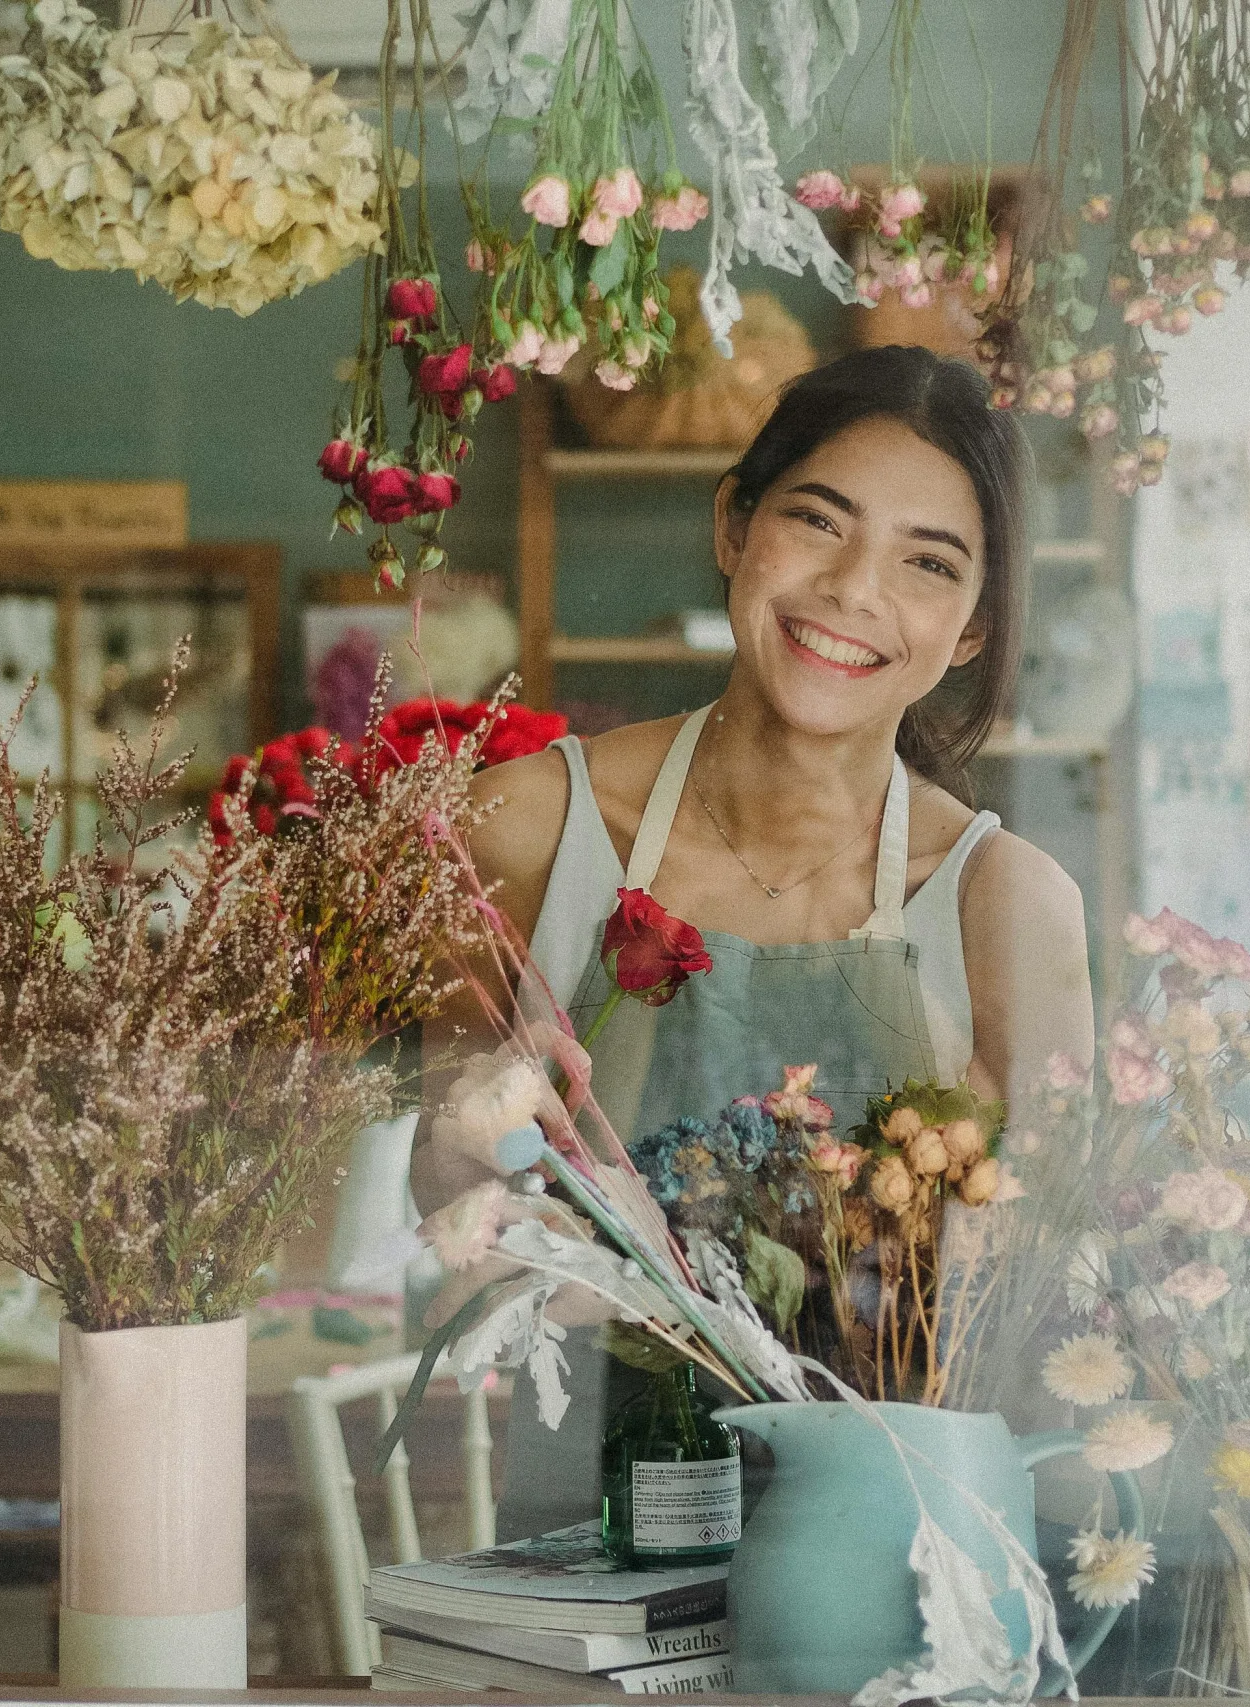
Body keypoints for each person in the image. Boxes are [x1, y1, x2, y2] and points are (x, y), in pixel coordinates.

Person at [415, 343, 1097, 1538]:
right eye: (817, 521)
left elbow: (1048, 1305)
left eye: (927, 562)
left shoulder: (1001, 903)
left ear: (973, 628)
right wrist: (481, 1156)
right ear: (734, 525)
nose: (853, 590)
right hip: (593, 1526)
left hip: (891, 1540)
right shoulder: (527, 825)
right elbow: (441, 1188)